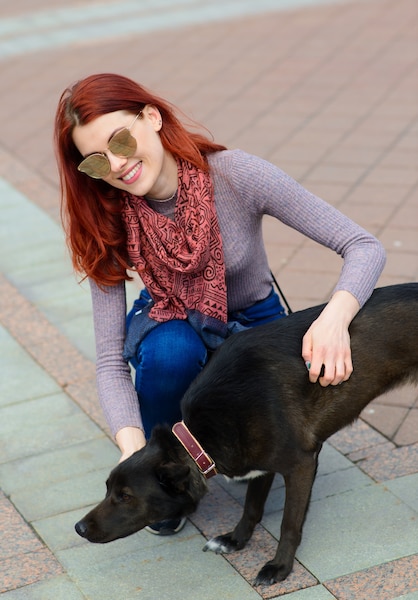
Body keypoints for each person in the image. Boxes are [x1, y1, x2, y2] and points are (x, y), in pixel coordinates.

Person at [54, 73, 385, 534]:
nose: (117, 165)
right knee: (171, 353)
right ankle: (167, 486)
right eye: (96, 161)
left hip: (254, 323)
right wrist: (134, 452)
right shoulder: (108, 215)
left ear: (151, 117)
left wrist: (334, 319)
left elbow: (363, 245)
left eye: (121, 141)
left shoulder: (236, 175)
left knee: (279, 418)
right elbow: (110, 360)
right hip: (174, 320)